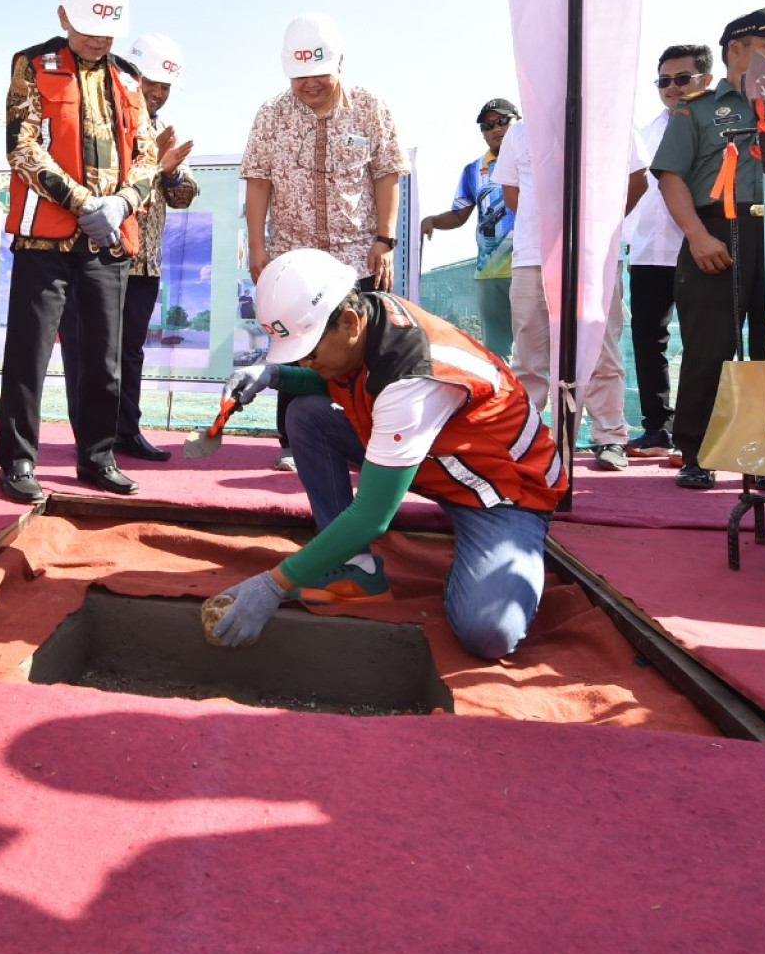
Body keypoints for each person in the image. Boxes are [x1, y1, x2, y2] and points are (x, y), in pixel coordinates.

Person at [209, 250, 566, 657]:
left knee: (490, 632)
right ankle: (354, 569)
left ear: (349, 322)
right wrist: (275, 374)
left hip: (500, 490)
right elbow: (338, 377)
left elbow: (370, 517)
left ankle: (474, 568)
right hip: (440, 461)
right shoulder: (367, 316)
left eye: (307, 352)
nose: (304, 362)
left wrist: (274, 584)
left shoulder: (410, 377)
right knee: (307, 415)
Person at [0, 0, 159, 504]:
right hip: (45, 239)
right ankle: (17, 460)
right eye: (88, 25)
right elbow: (22, 146)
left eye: (108, 29)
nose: (97, 38)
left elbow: (147, 155)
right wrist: (83, 201)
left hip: (109, 240)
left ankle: (97, 457)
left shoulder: (131, 80)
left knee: (103, 362)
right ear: (64, 14)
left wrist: (122, 202)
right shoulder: (31, 64)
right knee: (29, 356)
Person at [652, 7, 765, 494]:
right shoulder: (697, 109)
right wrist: (697, 237)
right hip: (718, 231)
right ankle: (697, 451)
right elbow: (670, 175)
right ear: (736, 50)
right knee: (711, 347)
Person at [241, 13, 409, 470]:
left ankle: (369, 438)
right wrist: (258, 248)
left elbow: (387, 173)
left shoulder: (372, 107)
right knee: (299, 348)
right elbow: (258, 181)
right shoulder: (270, 114)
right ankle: (295, 439)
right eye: (299, 77)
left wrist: (385, 238)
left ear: (339, 62)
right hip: (294, 258)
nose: (309, 85)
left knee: (364, 346)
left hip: (357, 254)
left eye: (318, 74)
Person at [59, 32, 198, 462]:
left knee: (129, 354)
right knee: (87, 350)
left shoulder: (160, 131)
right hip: (95, 257)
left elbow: (185, 193)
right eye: (150, 83)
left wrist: (170, 172)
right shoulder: (97, 116)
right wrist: (152, 162)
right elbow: (90, 187)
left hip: (143, 264)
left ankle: (125, 433)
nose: (157, 94)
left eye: (165, 88)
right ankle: (90, 439)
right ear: (130, 74)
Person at [492, 116, 632, 469]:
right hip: (532, 256)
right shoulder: (519, 131)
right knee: (528, 353)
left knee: (602, 350)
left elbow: (637, 179)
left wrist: (600, 230)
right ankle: (527, 437)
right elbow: (512, 192)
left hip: (594, 256)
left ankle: (609, 437)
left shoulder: (608, 113)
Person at [624, 46, 711, 456]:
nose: (671, 88)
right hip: (646, 252)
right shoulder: (643, 131)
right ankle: (657, 428)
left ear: (706, 79)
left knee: (701, 342)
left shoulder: (717, 125)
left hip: (698, 248)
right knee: (647, 340)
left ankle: (700, 433)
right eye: (664, 80)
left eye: (682, 78)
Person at [418, 98, 518, 360]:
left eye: (502, 121)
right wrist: (434, 221)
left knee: (536, 349)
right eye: (487, 126)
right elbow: (460, 215)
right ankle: (508, 402)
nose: (495, 129)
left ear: (518, 121)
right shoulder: (474, 170)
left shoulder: (538, 160)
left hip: (531, 267)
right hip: (490, 271)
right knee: (497, 353)